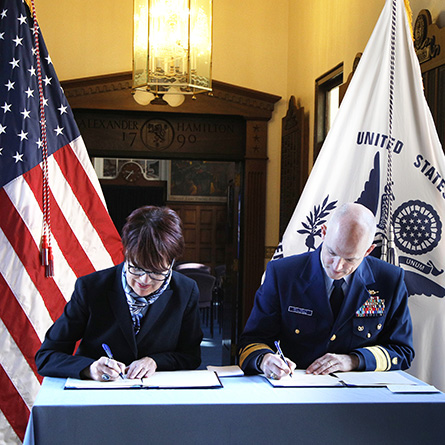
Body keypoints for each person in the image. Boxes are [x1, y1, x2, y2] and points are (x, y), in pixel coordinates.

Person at [238, 202, 414, 379]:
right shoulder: (283, 274)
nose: (338, 266)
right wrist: (265, 360)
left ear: (368, 250)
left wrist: (353, 360)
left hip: (360, 397)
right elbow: (252, 341)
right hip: (295, 390)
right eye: (332, 252)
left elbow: (402, 351)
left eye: (350, 259)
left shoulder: (389, 280)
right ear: (323, 232)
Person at [36, 206, 203, 381]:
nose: (144, 280)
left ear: (171, 262)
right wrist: (89, 369)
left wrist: (155, 361)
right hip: (98, 396)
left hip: (157, 397)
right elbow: (47, 356)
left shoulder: (186, 290)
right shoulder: (91, 288)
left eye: (156, 272)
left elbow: (191, 356)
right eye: (136, 268)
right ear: (126, 254)